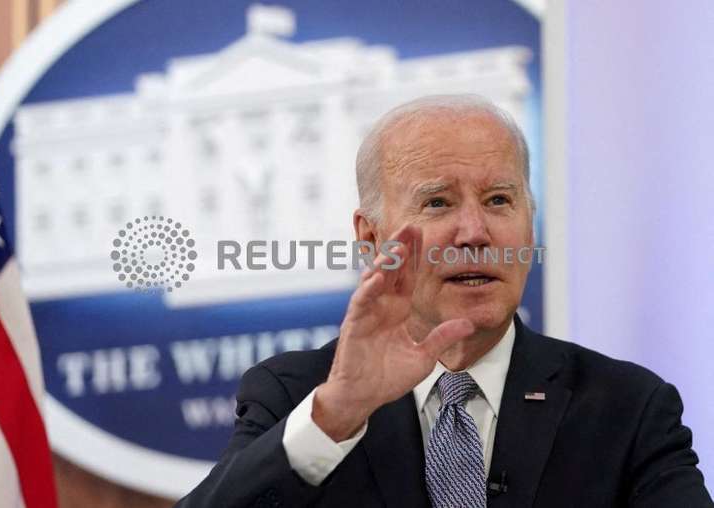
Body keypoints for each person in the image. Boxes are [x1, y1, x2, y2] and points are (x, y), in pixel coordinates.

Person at [175, 95, 712, 507]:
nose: (474, 232)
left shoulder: (626, 407)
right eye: (438, 202)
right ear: (370, 240)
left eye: (499, 200)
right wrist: (332, 419)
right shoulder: (295, 397)